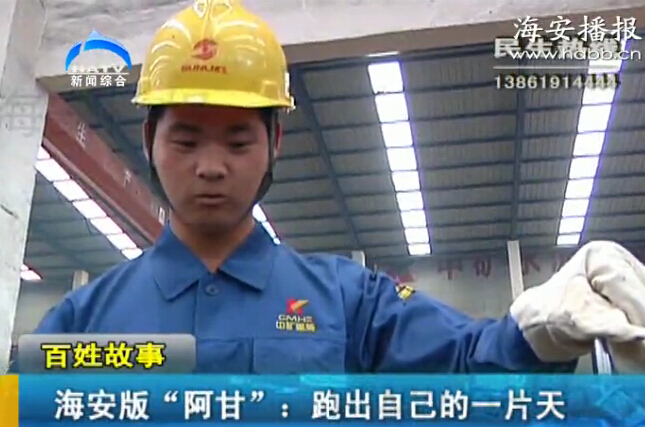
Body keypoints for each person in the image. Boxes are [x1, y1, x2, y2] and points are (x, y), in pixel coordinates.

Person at [22, 0, 645, 373]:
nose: (211, 166)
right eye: (186, 141)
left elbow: (467, 362)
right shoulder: (79, 323)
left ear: (275, 142)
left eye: (237, 142)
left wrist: (541, 326)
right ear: (149, 138)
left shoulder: (350, 303)